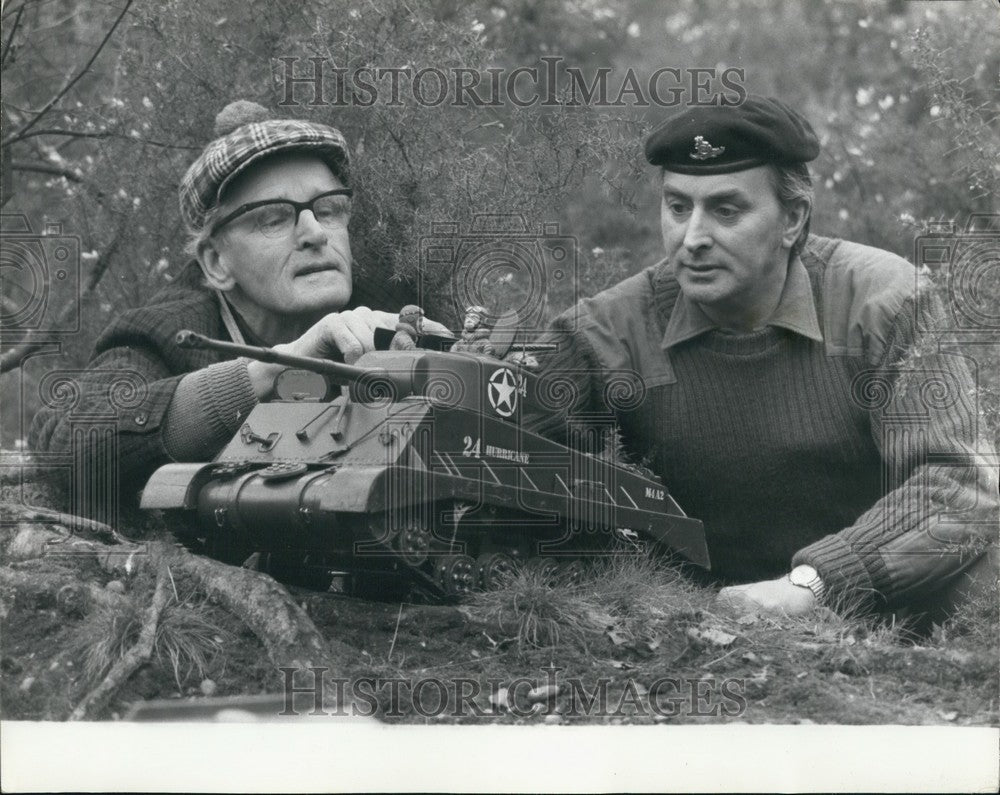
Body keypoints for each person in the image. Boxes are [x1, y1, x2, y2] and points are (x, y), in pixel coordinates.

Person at [527, 95, 998, 620]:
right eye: (678, 207)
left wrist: (812, 586)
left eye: (726, 210)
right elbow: (503, 459)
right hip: (695, 622)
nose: (693, 237)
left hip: (877, 604)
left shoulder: (885, 302)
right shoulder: (603, 333)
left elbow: (957, 485)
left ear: (792, 219)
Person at [29, 100, 444, 508]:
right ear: (216, 262)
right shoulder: (167, 330)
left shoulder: (397, 300)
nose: (315, 233)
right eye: (274, 219)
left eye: (329, 208)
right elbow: (68, 440)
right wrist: (274, 368)